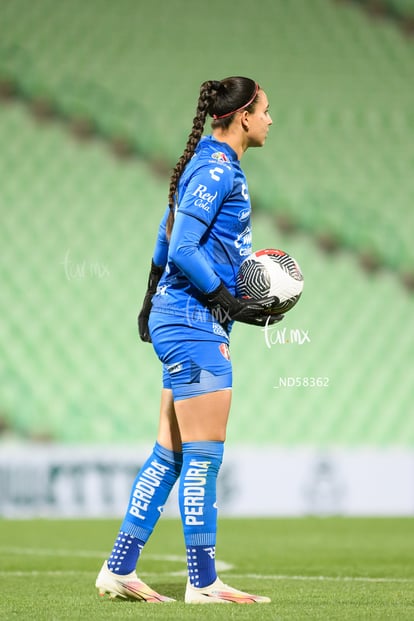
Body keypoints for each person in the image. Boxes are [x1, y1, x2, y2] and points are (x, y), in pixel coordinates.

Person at [95, 76, 282, 604]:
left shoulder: (207, 166)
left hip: (181, 319)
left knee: (171, 453)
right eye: (266, 110)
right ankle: (203, 582)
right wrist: (227, 300)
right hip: (195, 325)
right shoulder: (216, 168)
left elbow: (165, 234)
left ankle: (119, 569)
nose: (271, 119)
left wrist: (150, 295)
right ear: (243, 116)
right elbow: (182, 246)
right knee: (204, 456)